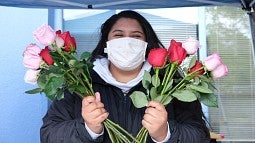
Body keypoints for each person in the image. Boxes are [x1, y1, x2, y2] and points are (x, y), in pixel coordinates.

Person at [40, 10, 211, 143]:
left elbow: (200, 135)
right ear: (106, 43)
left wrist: (165, 133)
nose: (127, 41)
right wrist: (88, 128)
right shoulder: (78, 82)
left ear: (146, 45)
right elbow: (49, 134)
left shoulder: (173, 85)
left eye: (136, 36)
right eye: (118, 35)